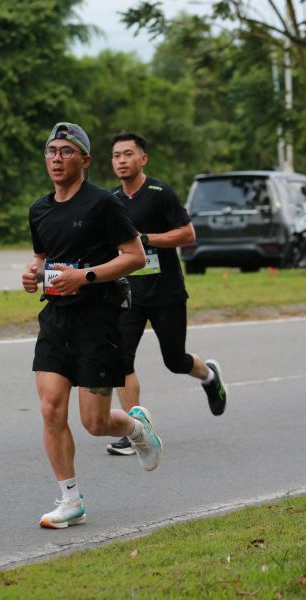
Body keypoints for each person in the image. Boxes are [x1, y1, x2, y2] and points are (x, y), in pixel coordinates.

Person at [22, 122, 162, 529]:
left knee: (95, 423)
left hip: (98, 319)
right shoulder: (39, 209)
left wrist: (84, 277)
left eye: (66, 151)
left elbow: (135, 256)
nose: (57, 159)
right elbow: (42, 257)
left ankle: (136, 426)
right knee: (50, 408)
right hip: (56, 317)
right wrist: (33, 274)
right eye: (51, 151)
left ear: (84, 160)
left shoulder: (103, 204)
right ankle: (71, 500)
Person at [106, 131, 227, 457]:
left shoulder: (160, 194)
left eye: (128, 154)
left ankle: (209, 376)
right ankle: (135, 431)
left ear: (142, 159)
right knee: (120, 361)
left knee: (175, 360)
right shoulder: (110, 200)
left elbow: (188, 234)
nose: (121, 160)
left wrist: (147, 239)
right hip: (128, 293)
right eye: (116, 155)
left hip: (166, 293)